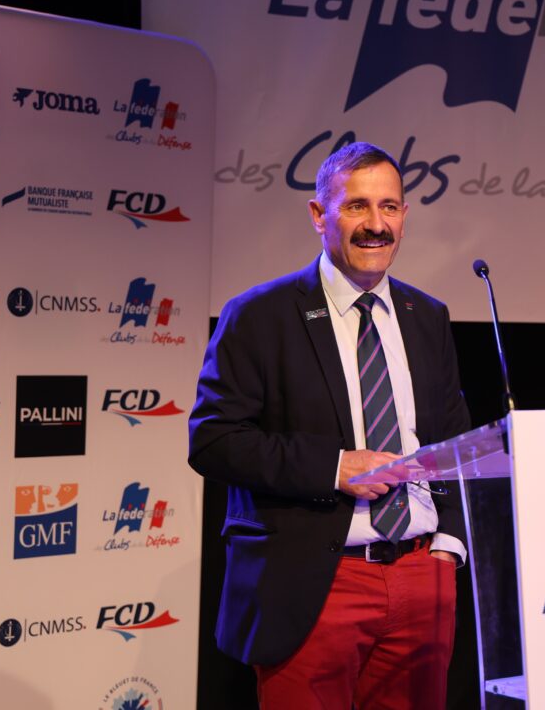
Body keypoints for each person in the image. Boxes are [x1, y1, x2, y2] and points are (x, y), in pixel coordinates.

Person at [188, 142, 471, 709]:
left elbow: (452, 439)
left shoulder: (426, 315)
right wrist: (333, 467)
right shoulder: (260, 315)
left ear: (404, 216)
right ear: (319, 215)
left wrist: (449, 542)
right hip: (315, 582)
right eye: (357, 206)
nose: (376, 225)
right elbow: (213, 439)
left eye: (388, 207)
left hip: (421, 576)